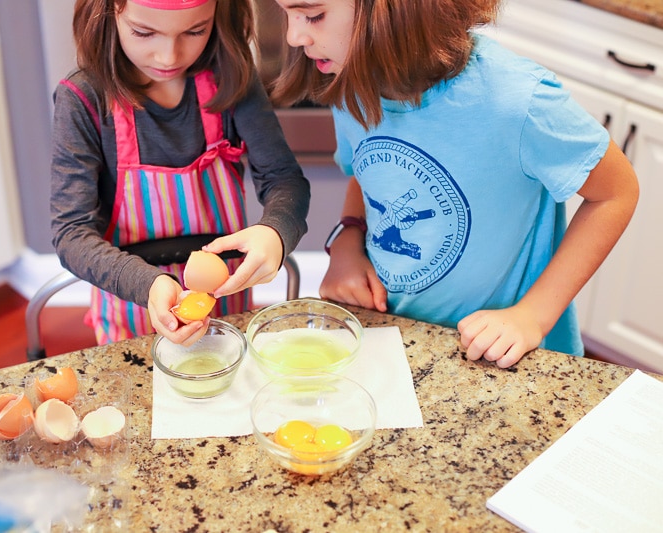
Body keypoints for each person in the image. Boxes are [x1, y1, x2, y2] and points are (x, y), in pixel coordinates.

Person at [270, 0, 638, 368]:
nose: (293, 36)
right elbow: (370, 175)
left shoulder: (517, 99)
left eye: (313, 15)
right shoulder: (350, 83)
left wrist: (533, 315)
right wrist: (347, 241)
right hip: (396, 334)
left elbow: (616, 193)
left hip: (501, 357)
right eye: (287, 14)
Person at [51, 0, 310, 346]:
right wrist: (149, 284)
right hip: (133, 314)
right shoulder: (85, 100)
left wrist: (275, 231)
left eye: (195, 31)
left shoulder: (231, 79)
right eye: (144, 33)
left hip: (225, 309)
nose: (168, 57)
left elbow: (284, 179)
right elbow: (71, 233)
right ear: (109, 12)